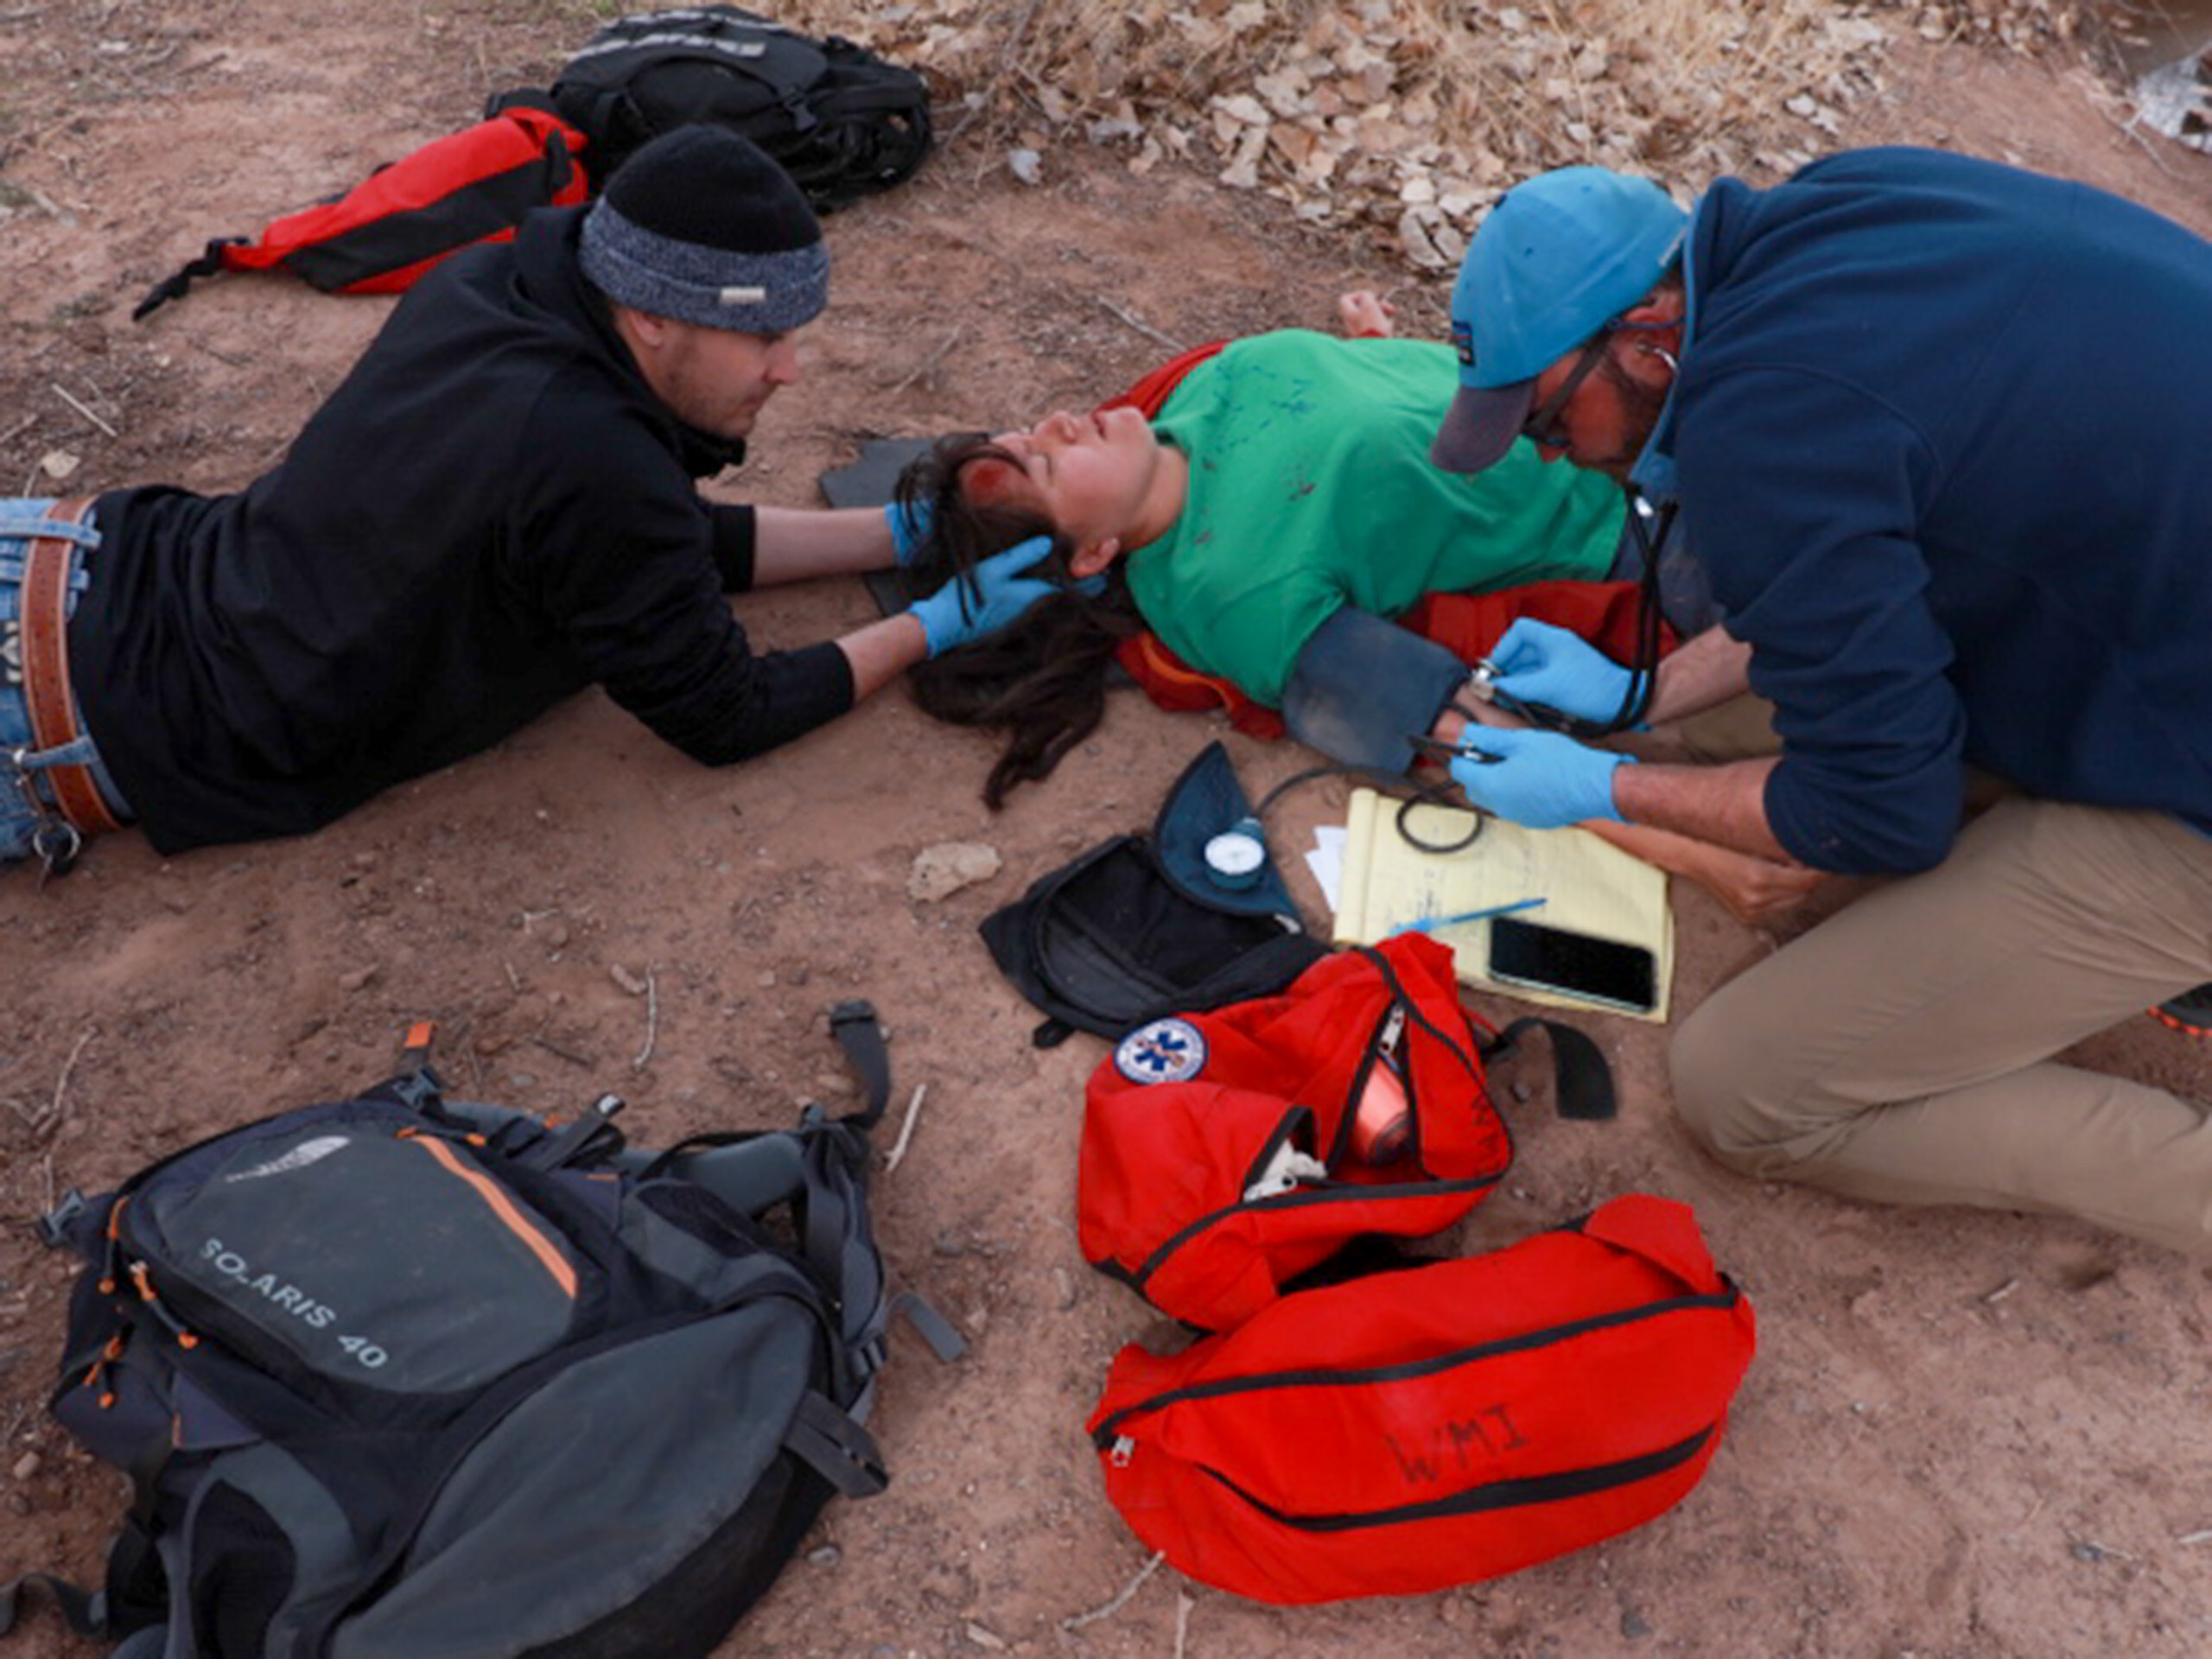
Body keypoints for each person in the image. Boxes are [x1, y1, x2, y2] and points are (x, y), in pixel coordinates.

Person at [1430, 151, 2212, 1253]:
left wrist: (1607, 785)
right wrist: (1638, 691)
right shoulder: (1826, 212)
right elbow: (1855, 519)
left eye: (1551, 424)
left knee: (1746, 1089)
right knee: (1721, 724)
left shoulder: (1763, 422)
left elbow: (1873, 811)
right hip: (2160, 629)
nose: (1556, 456)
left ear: (1650, 338)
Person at [1, 126, 1065, 873]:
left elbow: (639, 545)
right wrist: (930, 631)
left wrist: (884, 531)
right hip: (59, 712)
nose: (787, 371)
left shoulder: (501, 284)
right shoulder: (589, 455)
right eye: (765, 337)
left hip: (67, 559)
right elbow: (723, 714)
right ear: (652, 318)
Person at [898, 294, 1820, 922]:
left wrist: (1371, 347)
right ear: (1094, 553)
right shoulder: (1235, 596)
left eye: (1027, 432)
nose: (1060, 425)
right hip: (1654, 534)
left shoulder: (1187, 392)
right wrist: (1701, 859)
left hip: (1655, 410)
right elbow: (1459, 735)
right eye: (1049, 466)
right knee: (1890, 580)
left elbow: (1374, 421)